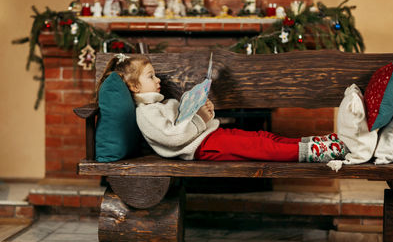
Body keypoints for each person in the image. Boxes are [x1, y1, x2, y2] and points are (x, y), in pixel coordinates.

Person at [96, 53, 349, 163]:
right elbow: (173, 137)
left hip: (210, 136)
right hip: (202, 148)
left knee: (259, 136)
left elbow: (185, 120)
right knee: (259, 147)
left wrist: (200, 108)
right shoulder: (146, 114)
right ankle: (314, 152)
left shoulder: (161, 104)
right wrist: (199, 119)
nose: (158, 79)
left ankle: (315, 143)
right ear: (134, 87)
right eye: (151, 76)